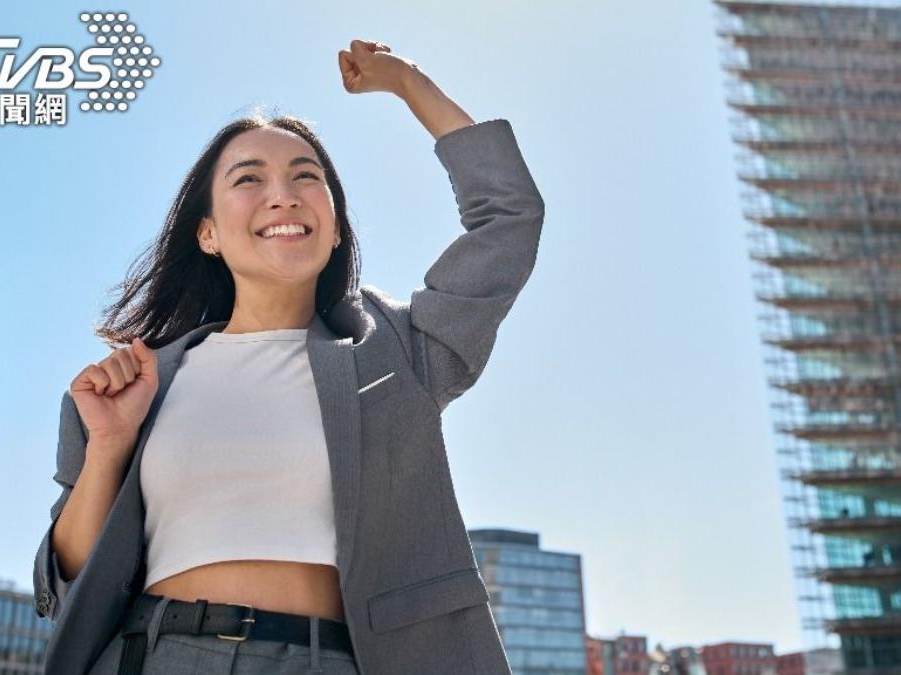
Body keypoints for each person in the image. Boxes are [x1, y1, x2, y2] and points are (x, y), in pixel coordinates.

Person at [33, 38, 544, 675]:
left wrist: (408, 82)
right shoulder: (136, 384)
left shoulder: (399, 355)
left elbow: (509, 217)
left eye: (307, 177)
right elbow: (68, 580)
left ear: (333, 226)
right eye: (249, 179)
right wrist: (109, 446)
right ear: (208, 232)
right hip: (151, 656)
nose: (284, 194)